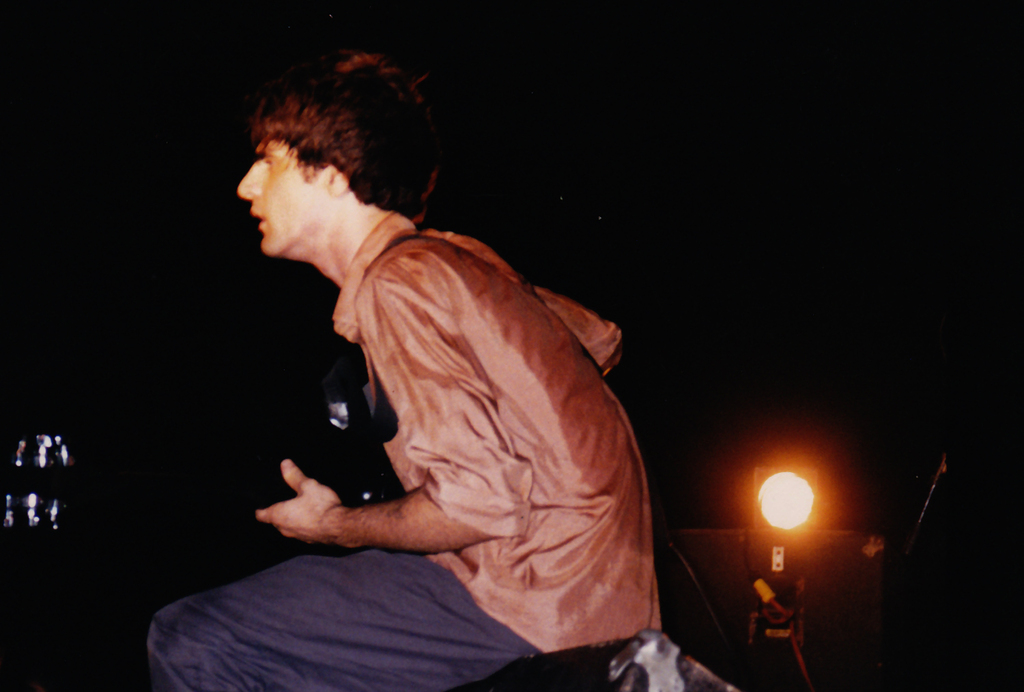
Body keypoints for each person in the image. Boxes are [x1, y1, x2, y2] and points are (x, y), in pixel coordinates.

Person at [148, 50, 658, 692]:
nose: (247, 185)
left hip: (533, 595)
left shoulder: (400, 283)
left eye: (268, 161)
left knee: (195, 638)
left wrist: (334, 526)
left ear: (332, 175)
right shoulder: (453, 258)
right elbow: (600, 341)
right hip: (600, 590)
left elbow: (479, 504)